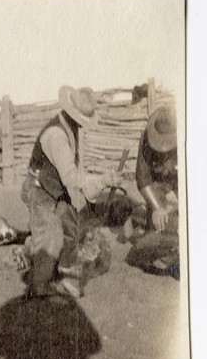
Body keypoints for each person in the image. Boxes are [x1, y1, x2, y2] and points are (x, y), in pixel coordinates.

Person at [21, 85, 122, 298]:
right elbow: (71, 177)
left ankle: (69, 282)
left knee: (72, 229)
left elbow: (73, 175)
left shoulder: (70, 128)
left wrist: (102, 182)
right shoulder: (56, 135)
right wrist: (103, 180)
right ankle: (39, 288)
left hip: (57, 190)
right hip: (39, 190)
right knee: (50, 238)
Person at [125, 105, 179, 277]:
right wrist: (157, 208)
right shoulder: (146, 137)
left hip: (182, 187)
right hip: (158, 187)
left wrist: (171, 208)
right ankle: (141, 216)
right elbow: (143, 178)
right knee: (152, 239)